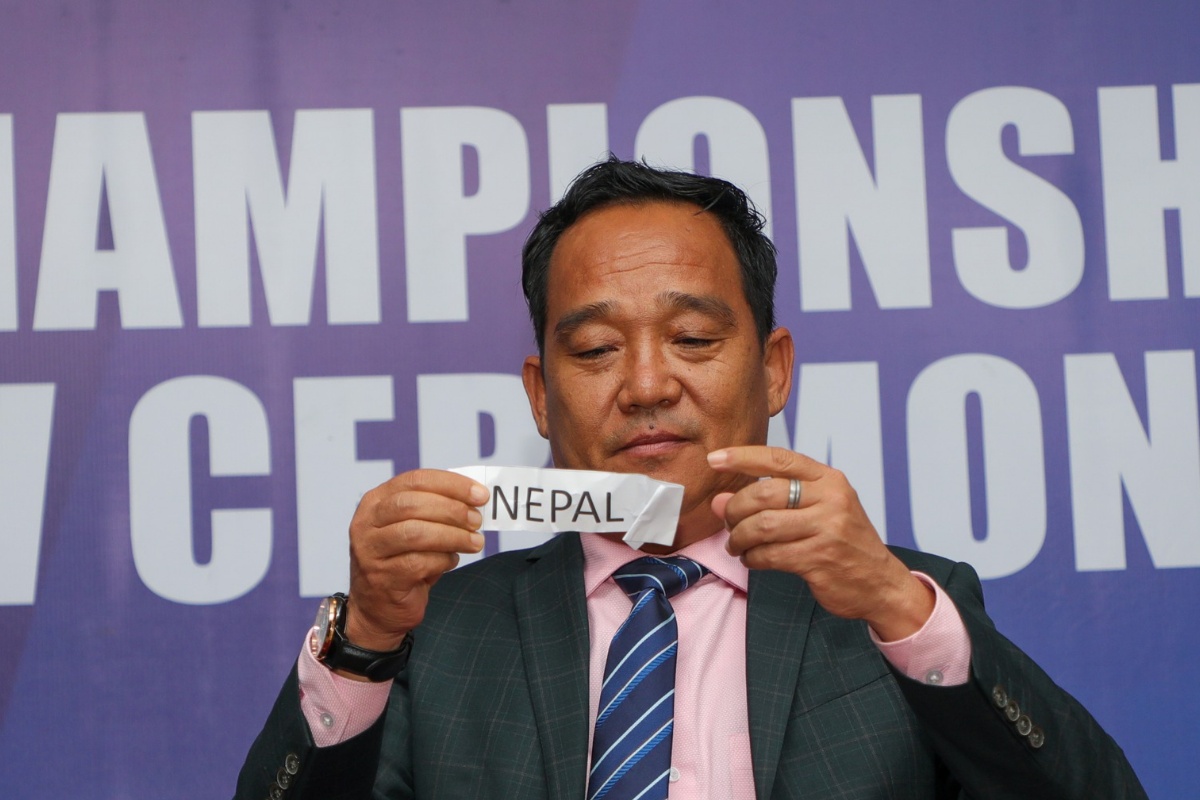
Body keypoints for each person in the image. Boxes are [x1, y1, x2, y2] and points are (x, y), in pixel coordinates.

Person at [235, 158, 1146, 799]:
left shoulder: (893, 609)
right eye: (596, 349)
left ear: (775, 370)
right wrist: (364, 641)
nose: (645, 385)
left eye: (694, 339)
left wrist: (898, 609)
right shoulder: (438, 633)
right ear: (541, 395)